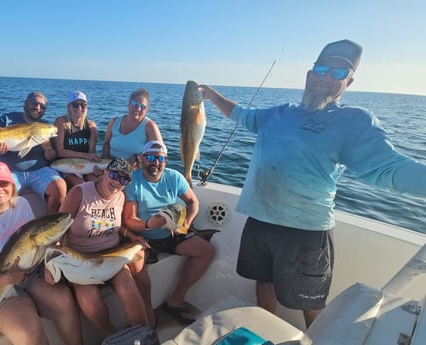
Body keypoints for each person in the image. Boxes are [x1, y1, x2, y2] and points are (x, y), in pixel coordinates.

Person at [199, 39, 426, 328]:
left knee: (312, 305)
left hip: (306, 232)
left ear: (349, 82)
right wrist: (209, 95)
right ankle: (266, 329)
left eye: (339, 73)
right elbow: (241, 114)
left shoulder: (352, 121)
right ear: (309, 74)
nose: (327, 78)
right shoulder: (277, 113)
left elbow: (388, 168)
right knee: (263, 283)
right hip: (260, 220)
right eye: (322, 69)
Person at [0, 161, 81, 345]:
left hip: (29, 275)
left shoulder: (22, 204)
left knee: (64, 300)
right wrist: (4, 279)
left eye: (3, 183)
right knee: (29, 328)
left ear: (12, 185)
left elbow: (35, 245)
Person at [122, 141, 215, 326]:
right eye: (150, 157)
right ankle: (148, 311)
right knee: (137, 265)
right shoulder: (133, 182)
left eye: (160, 158)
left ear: (165, 161)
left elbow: (193, 202)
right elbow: (129, 220)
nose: (155, 162)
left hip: (171, 233)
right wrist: (149, 224)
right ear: (141, 159)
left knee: (207, 251)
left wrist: (186, 223)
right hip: (143, 235)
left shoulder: (174, 177)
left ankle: (176, 299)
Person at [58, 158, 151, 336]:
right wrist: (53, 259)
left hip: (112, 255)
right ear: (105, 172)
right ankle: (113, 338)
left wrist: (133, 237)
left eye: (123, 179)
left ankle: (145, 335)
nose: (117, 182)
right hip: (82, 258)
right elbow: (58, 228)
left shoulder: (121, 197)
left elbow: (119, 226)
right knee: (88, 300)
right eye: (114, 175)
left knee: (129, 288)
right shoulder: (79, 193)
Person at [0, 91, 66, 214]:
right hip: (11, 170)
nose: (38, 108)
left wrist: (47, 148)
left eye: (42, 106)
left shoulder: (46, 128)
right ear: (25, 104)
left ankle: (49, 224)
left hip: (39, 170)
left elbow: (52, 157)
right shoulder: (6, 120)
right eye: (34, 103)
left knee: (60, 187)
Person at [102, 87, 163, 168]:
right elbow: (106, 144)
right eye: (135, 104)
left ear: (147, 109)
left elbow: (160, 152)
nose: (138, 108)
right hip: (111, 166)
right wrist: (105, 160)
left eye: (143, 107)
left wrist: (137, 158)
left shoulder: (150, 126)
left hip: (135, 170)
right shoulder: (114, 122)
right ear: (129, 104)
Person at [53, 90, 101, 188]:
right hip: (66, 166)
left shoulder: (91, 126)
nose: (79, 108)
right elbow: (60, 151)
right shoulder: (61, 122)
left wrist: (95, 167)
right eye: (75, 104)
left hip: (86, 166)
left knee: (98, 184)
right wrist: (85, 155)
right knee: (82, 186)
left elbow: (91, 154)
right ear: (68, 107)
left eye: (83, 105)